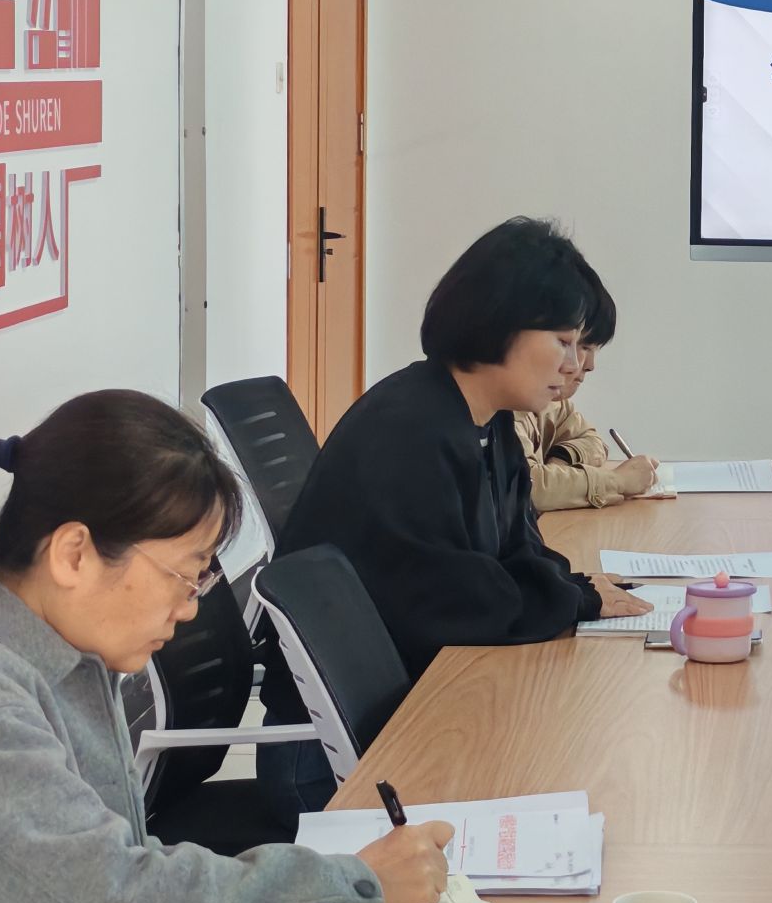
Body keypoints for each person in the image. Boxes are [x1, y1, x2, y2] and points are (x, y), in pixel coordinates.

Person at [0, 393, 454, 903]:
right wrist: (355, 884)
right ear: (74, 554)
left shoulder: (68, 657)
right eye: (187, 575)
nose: (189, 608)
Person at [258, 218, 651, 819]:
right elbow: (462, 599)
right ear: (500, 324)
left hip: (403, 714)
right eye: (564, 341)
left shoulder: (487, 424)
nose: (577, 365)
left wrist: (573, 589)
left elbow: (517, 551)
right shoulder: (411, 430)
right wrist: (574, 599)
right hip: (331, 765)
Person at [515, 263, 662, 513]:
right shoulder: (504, 409)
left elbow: (594, 441)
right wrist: (618, 481)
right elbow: (529, 488)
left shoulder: (551, 404)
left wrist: (562, 459)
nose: (587, 365)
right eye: (579, 345)